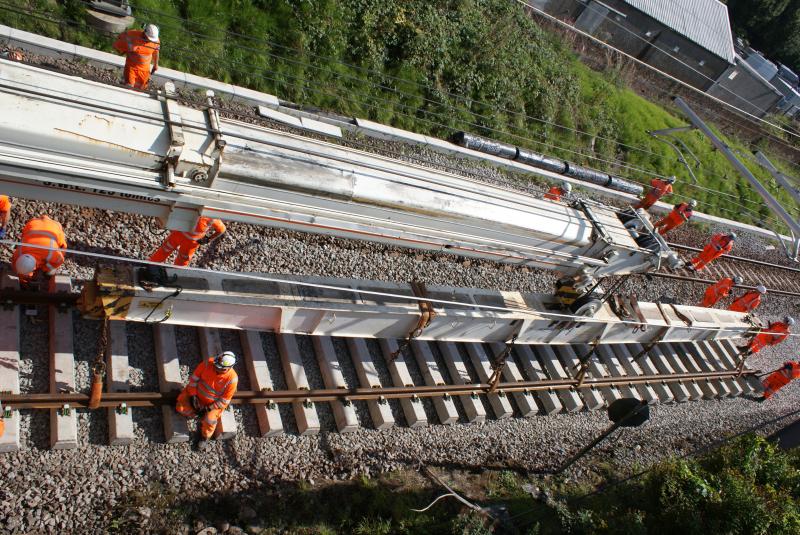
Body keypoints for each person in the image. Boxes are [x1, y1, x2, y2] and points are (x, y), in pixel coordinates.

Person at [176, 351, 238, 448]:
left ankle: (204, 437)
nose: (216, 368)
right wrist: (193, 396)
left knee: (210, 420)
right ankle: (197, 415)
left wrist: (209, 408)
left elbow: (224, 401)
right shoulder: (208, 363)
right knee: (180, 407)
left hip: (213, 405)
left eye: (219, 368)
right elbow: (193, 380)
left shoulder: (232, 379)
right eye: (216, 365)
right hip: (197, 397)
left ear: (228, 368)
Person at [11, 215, 67, 286]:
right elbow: (14, 263)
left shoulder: (52, 254)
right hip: (34, 223)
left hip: (55, 227)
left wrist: (44, 268)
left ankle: (47, 273)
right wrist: (22, 278)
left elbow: (61, 258)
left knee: (50, 271)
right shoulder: (19, 252)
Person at [148, 216, 226, 266]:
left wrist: (209, 239)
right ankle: (150, 264)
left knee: (181, 261)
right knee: (164, 251)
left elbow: (222, 229)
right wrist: (209, 239)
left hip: (189, 242)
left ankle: (176, 273)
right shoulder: (211, 217)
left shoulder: (212, 217)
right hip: (179, 236)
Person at [113, 24, 160, 90]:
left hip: (145, 70)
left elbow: (156, 51)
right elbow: (119, 41)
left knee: (140, 89)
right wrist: (123, 49)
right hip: (131, 68)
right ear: (144, 33)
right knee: (129, 88)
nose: (150, 41)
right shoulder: (133, 35)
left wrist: (156, 65)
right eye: (149, 39)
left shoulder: (156, 41)